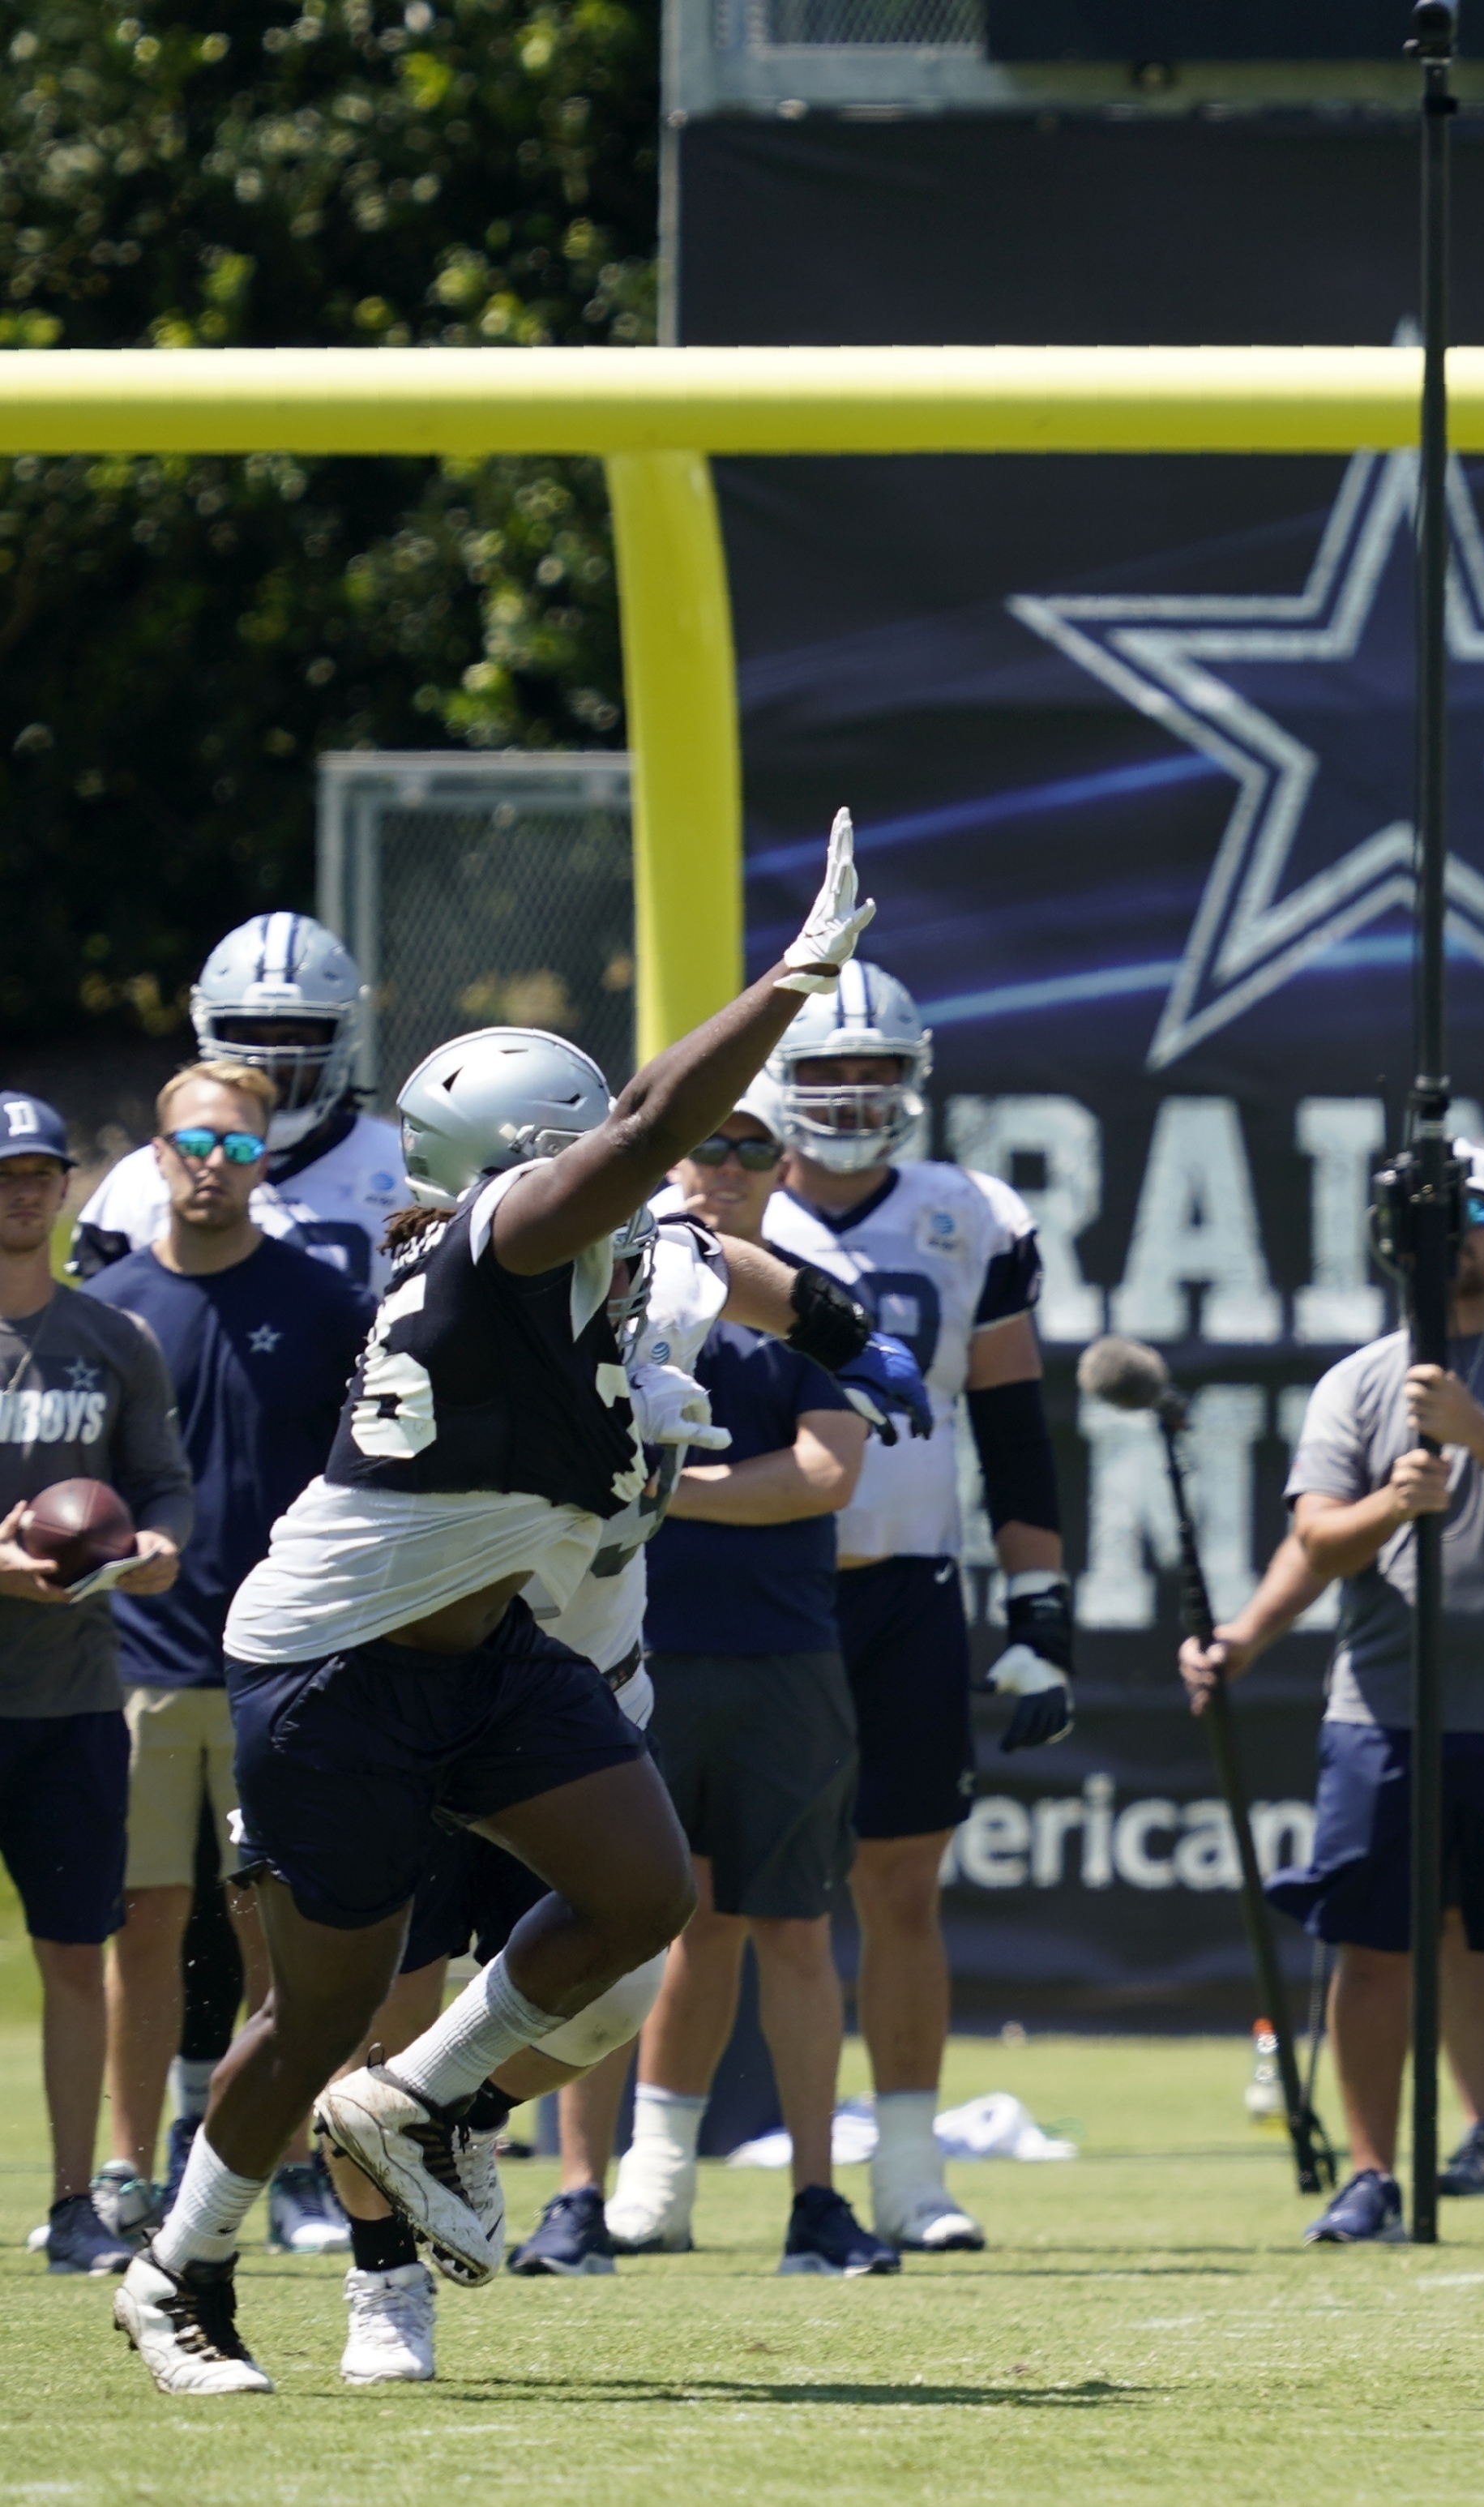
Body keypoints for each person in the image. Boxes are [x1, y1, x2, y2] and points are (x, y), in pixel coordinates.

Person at [109, 819, 892, 2395]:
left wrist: (836, 1324)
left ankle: (424, 2106)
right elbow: (668, 1122)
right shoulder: (506, 1242)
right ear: (536, 1160)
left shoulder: (589, 1256)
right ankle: (177, 2266)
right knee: (316, 2002)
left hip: (491, 1651)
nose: (641, 1167)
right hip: (335, 1666)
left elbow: (721, 1254)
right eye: (596, 1142)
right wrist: (793, 979)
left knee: (642, 1893)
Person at [745, 961, 1071, 2255]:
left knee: (901, 1887)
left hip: (910, 1582)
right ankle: (643, 2173)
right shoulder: (711, 1204)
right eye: (826, 1069)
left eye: (875, 1069)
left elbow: (1013, 1424)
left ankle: (910, 2170)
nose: (852, 1093)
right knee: (715, 1899)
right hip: (749, 1588)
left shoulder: (967, 1213)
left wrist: (1039, 1606)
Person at [1253, 1138, 1484, 2252]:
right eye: (1431, 1216)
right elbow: (1316, 1532)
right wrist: (1392, 1505)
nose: (1452, 1234)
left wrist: (1476, 1432)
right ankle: (1371, 2175)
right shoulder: (1359, 1381)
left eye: (1474, 1212)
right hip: (1383, 1708)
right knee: (1372, 1949)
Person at [547, 1087, 887, 2278]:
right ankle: (580, 2196)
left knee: (792, 1929)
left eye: (752, 1148)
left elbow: (822, 1474)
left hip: (783, 1656)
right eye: (703, 1147)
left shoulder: (808, 1309)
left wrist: (658, 1484)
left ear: (783, 1168)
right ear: (660, 1166)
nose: (724, 1168)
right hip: (620, 1650)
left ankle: (816, 2202)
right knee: (607, 1929)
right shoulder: (596, 1294)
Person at [79, 1063, 375, 2258]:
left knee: (279, 1929)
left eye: (241, 1149)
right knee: (143, 1923)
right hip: (138, 1665)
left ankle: (293, 2166)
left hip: (285, 1662)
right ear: (158, 1155)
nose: (215, 1164)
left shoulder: (322, 1300)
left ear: (269, 1161)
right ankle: (124, 2170)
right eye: (194, 1144)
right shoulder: (110, 1305)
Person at [0, 1089, 195, 2277]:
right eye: (2, 1174)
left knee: (81, 1953)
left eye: (37, 1173)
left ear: (65, 1187)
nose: (20, 1193)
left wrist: (158, 1548)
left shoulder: (114, 1338)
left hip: (73, 1700)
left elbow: (163, 1487)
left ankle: (77, 2199)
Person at [68, 913, 416, 1290]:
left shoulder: (404, 1171)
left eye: (294, 1038)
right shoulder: (140, 1183)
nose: (270, 1064)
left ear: (341, 1038)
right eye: (249, 1037)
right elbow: (96, 1326)